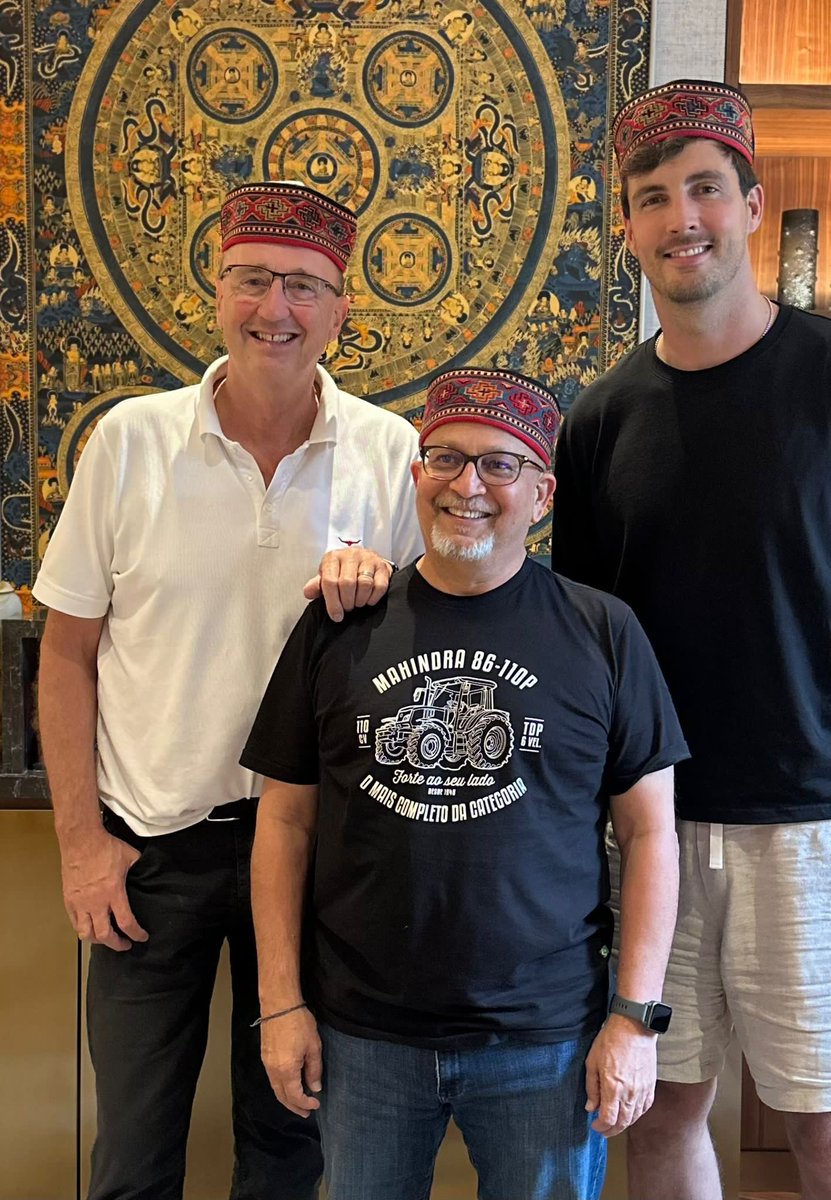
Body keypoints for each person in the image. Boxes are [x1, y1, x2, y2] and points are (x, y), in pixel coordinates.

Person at [34, 180, 423, 1200]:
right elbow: (66, 653)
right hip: (149, 848)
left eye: (303, 286)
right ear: (216, 292)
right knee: (134, 1149)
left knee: (292, 1142)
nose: (275, 309)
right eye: (252, 279)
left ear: (343, 312)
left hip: (317, 852)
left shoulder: (394, 456)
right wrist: (82, 847)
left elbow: (440, 649)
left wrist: (390, 597)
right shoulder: (128, 441)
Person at [241, 368, 687, 1200]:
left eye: (498, 465)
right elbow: (285, 823)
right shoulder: (341, 623)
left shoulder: (603, 632)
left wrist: (633, 1020)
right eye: (444, 459)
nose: (467, 486)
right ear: (415, 474)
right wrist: (280, 1005)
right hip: (361, 1033)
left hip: (545, 1038)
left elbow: (651, 834)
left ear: (541, 492)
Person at [550, 79, 831, 1200]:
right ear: (627, 229)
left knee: (820, 1119)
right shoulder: (598, 421)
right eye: (653, 197)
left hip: (811, 824)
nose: (683, 219)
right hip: (650, 828)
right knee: (660, 1110)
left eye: (706, 188)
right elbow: (580, 650)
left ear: (754, 204)